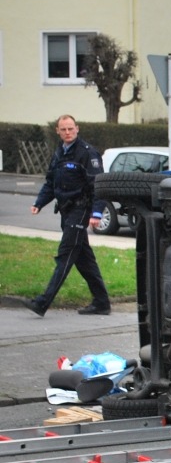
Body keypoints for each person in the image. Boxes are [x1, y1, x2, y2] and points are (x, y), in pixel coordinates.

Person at [21, 115, 110, 318]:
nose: (68, 132)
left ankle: (42, 302)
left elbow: (98, 185)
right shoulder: (59, 152)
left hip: (80, 211)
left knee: (66, 254)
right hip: (66, 211)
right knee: (83, 259)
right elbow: (51, 182)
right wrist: (39, 203)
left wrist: (96, 213)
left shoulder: (87, 153)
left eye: (71, 128)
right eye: (63, 129)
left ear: (77, 129)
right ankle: (102, 302)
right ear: (58, 131)